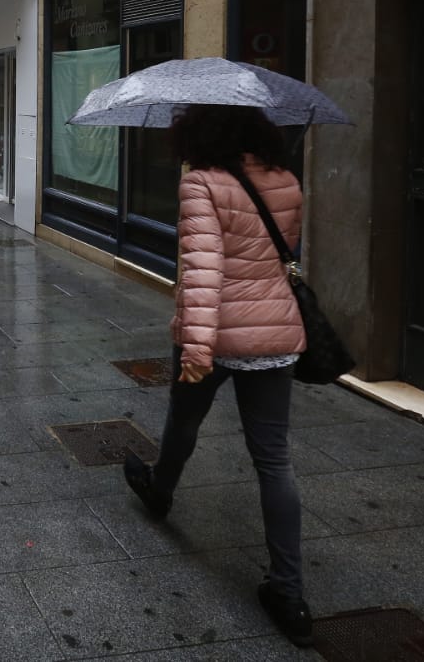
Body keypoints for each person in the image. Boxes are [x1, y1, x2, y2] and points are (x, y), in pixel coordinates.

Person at [123, 104, 314, 647]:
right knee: (274, 459)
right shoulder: (285, 179)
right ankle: (289, 592)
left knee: (185, 421)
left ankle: (160, 491)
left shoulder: (201, 183)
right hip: (275, 334)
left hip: (218, 331)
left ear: (198, 134)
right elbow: (284, 256)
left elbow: (205, 273)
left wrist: (197, 351)